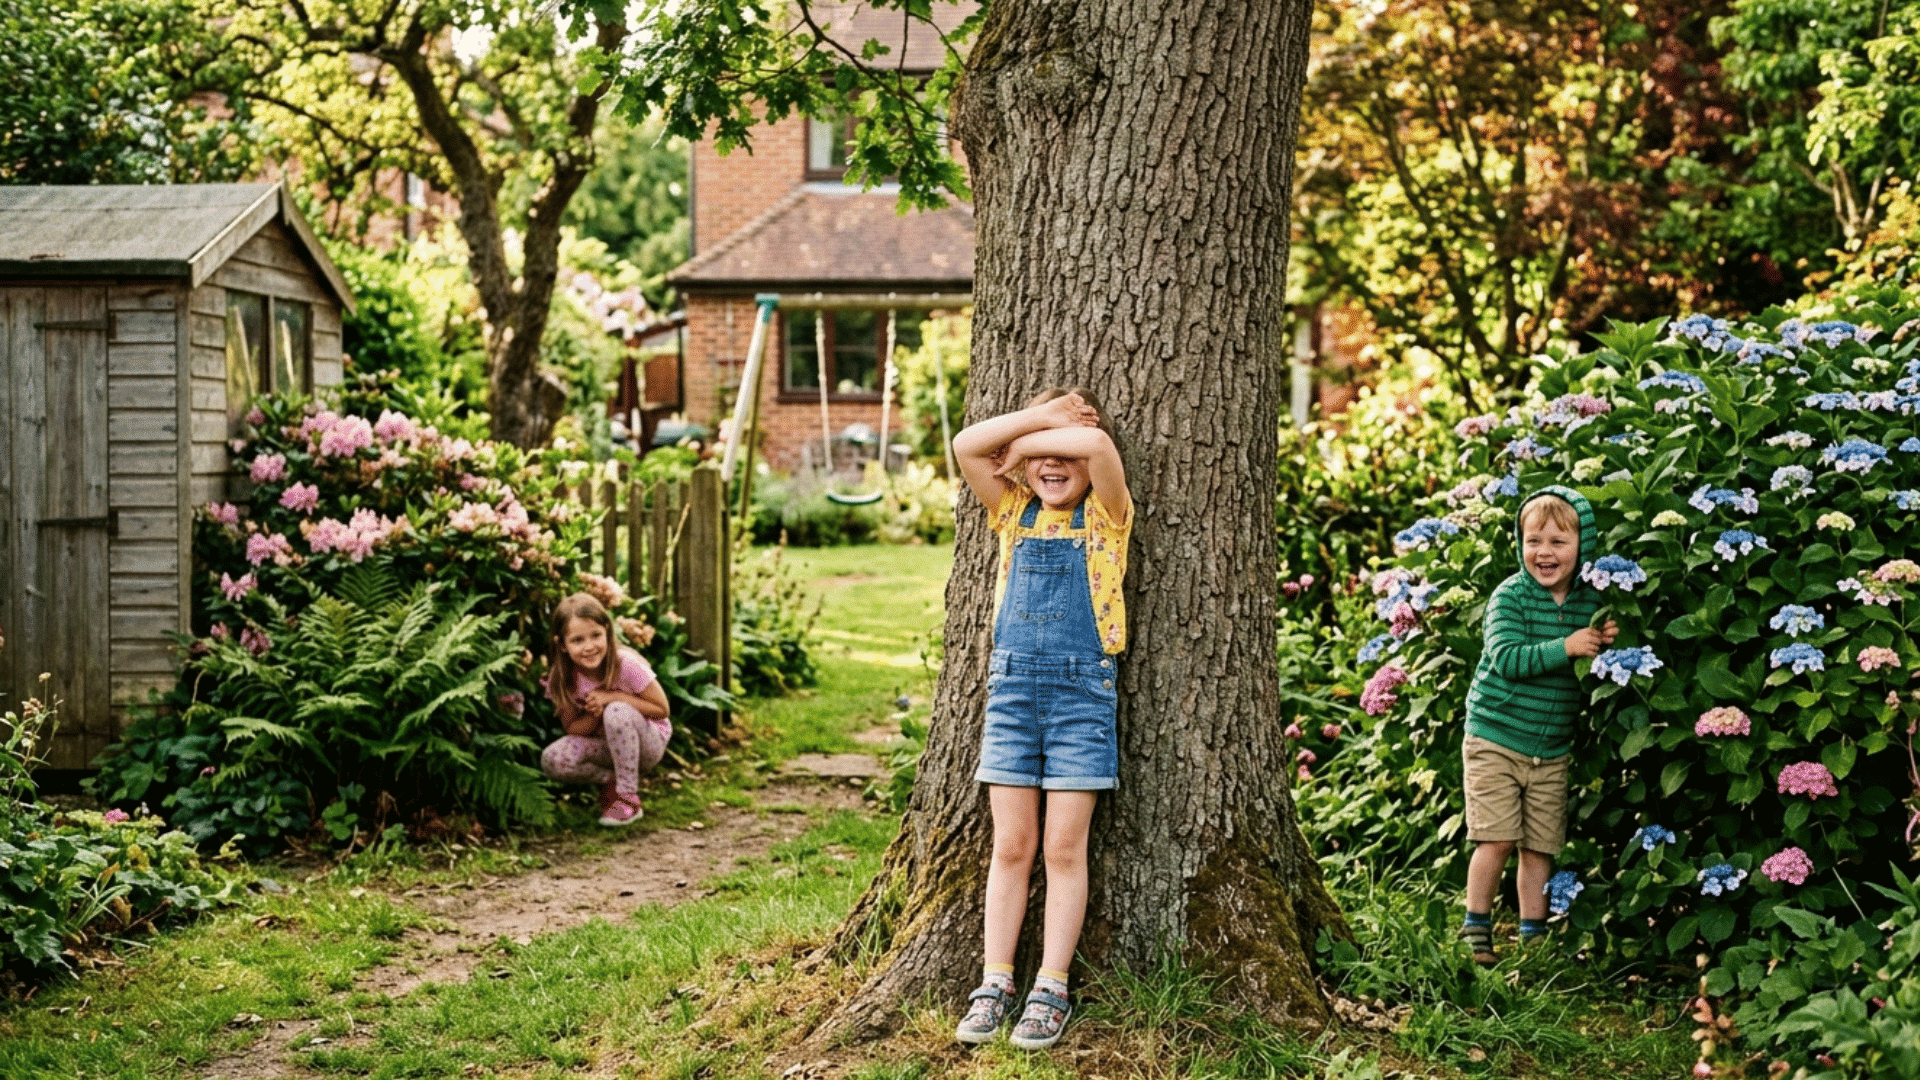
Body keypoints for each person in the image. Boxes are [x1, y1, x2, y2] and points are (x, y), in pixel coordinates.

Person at [948, 387, 1132, 1049]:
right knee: (1012, 846)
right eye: (1037, 458)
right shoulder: (1011, 511)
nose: (1052, 463)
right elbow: (968, 446)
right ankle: (995, 981)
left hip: (1082, 698)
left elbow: (1097, 446)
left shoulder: (1108, 514)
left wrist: (1028, 443)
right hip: (1013, 697)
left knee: (1062, 848)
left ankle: (1049, 985)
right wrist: (1045, 422)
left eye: (1062, 454)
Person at [1459, 485, 1617, 964]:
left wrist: (1605, 636)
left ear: (1582, 546)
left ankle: (1533, 938)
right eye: (1534, 541)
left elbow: (1594, 645)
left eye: (1558, 542)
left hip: (1551, 747)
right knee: (1498, 837)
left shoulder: (1590, 600)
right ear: (1519, 542)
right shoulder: (1511, 596)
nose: (1544, 553)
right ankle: (1475, 927)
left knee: (1540, 845)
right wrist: (1566, 646)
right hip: (1496, 736)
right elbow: (1505, 658)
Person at [539, 592, 672, 826]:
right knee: (552, 759)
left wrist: (613, 697)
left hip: (647, 743)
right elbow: (573, 729)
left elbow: (661, 709)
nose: (589, 647)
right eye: (578, 640)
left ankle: (627, 797)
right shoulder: (561, 678)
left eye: (596, 636)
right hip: (607, 748)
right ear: (561, 645)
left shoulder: (626, 664)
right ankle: (612, 783)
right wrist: (594, 710)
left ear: (608, 633)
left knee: (617, 711)